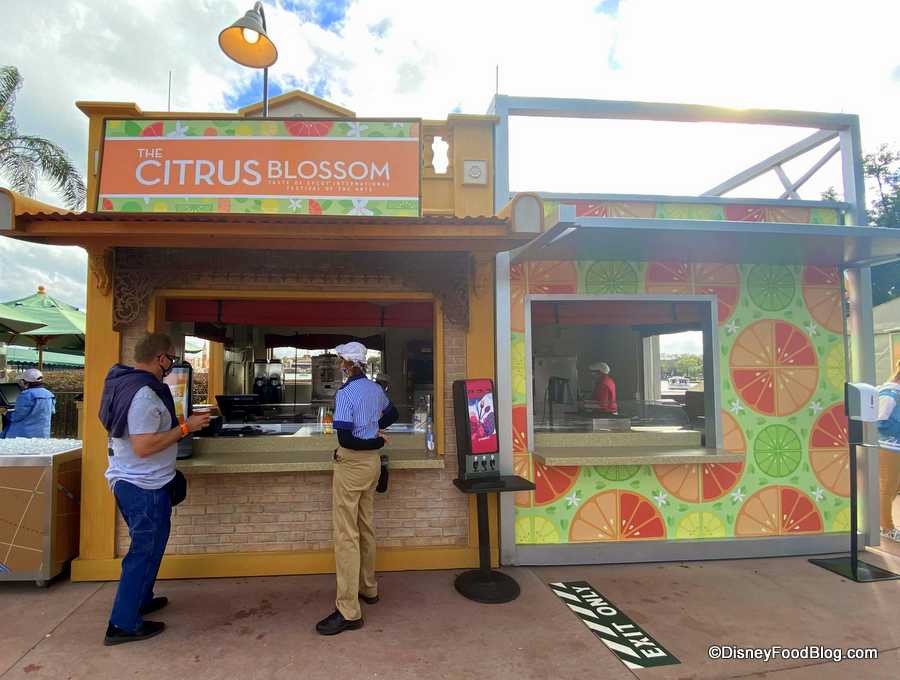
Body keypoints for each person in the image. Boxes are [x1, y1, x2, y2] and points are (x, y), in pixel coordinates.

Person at [98, 333, 209, 645]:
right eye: (170, 358)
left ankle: (140, 599)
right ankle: (122, 624)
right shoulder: (144, 395)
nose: (171, 364)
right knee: (143, 551)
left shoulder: (125, 383)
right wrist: (187, 427)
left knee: (153, 544)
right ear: (160, 358)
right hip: (141, 485)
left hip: (143, 481)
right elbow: (144, 446)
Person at [317, 342, 398, 636]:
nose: (340, 364)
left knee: (346, 536)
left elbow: (346, 439)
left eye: (342, 360)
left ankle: (348, 610)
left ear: (350, 364)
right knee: (366, 526)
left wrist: (372, 438)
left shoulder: (346, 393)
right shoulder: (375, 390)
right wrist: (375, 429)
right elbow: (392, 414)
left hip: (351, 465)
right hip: (372, 465)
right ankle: (368, 588)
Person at [877, 361, 900, 542]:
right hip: (888, 447)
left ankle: (883, 523)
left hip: (895, 446)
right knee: (888, 486)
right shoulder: (889, 393)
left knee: (893, 486)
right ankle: (886, 527)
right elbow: (880, 422)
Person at [2, 368, 55, 439]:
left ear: (26, 382)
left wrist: (5, 412)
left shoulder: (26, 394)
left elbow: (16, 417)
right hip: (42, 434)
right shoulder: (49, 394)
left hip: (22, 435)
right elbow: (52, 411)